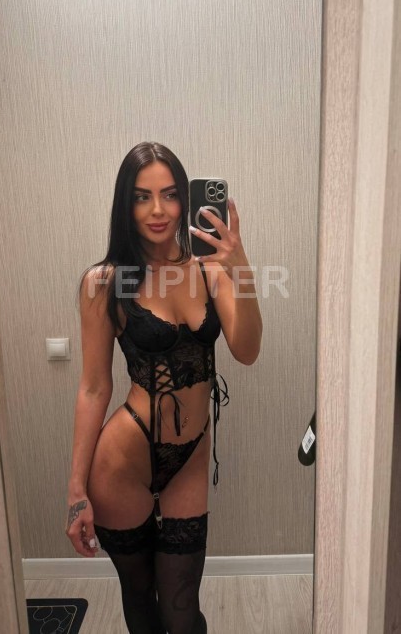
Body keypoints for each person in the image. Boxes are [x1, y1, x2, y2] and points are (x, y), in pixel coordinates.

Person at [65, 142, 262, 634]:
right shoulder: (104, 283)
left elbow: (247, 349)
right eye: (142, 196)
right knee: (140, 601)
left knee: (181, 609)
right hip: (121, 463)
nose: (158, 210)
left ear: (185, 200)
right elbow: (93, 389)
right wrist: (76, 491)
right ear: (124, 204)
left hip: (190, 458)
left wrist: (240, 266)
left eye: (170, 194)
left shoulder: (211, 271)